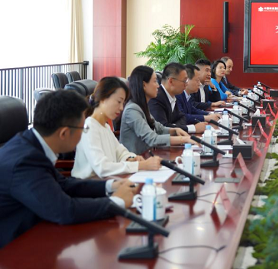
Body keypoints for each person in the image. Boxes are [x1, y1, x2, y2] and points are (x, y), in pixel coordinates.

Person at [0, 90, 136, 248]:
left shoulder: (30, 143)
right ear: (64, 133)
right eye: (82, 129)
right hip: (14, 249)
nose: (83, 134)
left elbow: (63, 184)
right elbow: (64, 210)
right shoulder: (24, 162)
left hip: (38, 231)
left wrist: (110, 186)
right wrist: (116, 202)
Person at [72, 77, 162, 179]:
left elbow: (120, 152)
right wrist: (140, 165)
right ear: (103, 99)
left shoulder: (105, 126)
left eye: (123, 103)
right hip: (90, 185)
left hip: (108, 181)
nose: (121, 108)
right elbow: (102, 168)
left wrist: (131, 158)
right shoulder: (89, 127)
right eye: (119, 102)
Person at [120, 65, 196, 155]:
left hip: (148, 156)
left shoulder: (142, 106)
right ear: (144, 85)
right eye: (155, 81)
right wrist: (183, 139)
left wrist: (175, 130)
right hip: (136, 160)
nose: (158, 85)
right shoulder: (132, 110)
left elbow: (160, 128)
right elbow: (152, 139)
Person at [148, 62, 207, 133]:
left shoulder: (172, 96)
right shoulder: (156, 98)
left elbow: (182, 117)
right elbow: (163, 128)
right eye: (184, 81)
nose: (186, 84)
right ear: (171, 81)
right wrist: (193, 128)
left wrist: (173, 125)